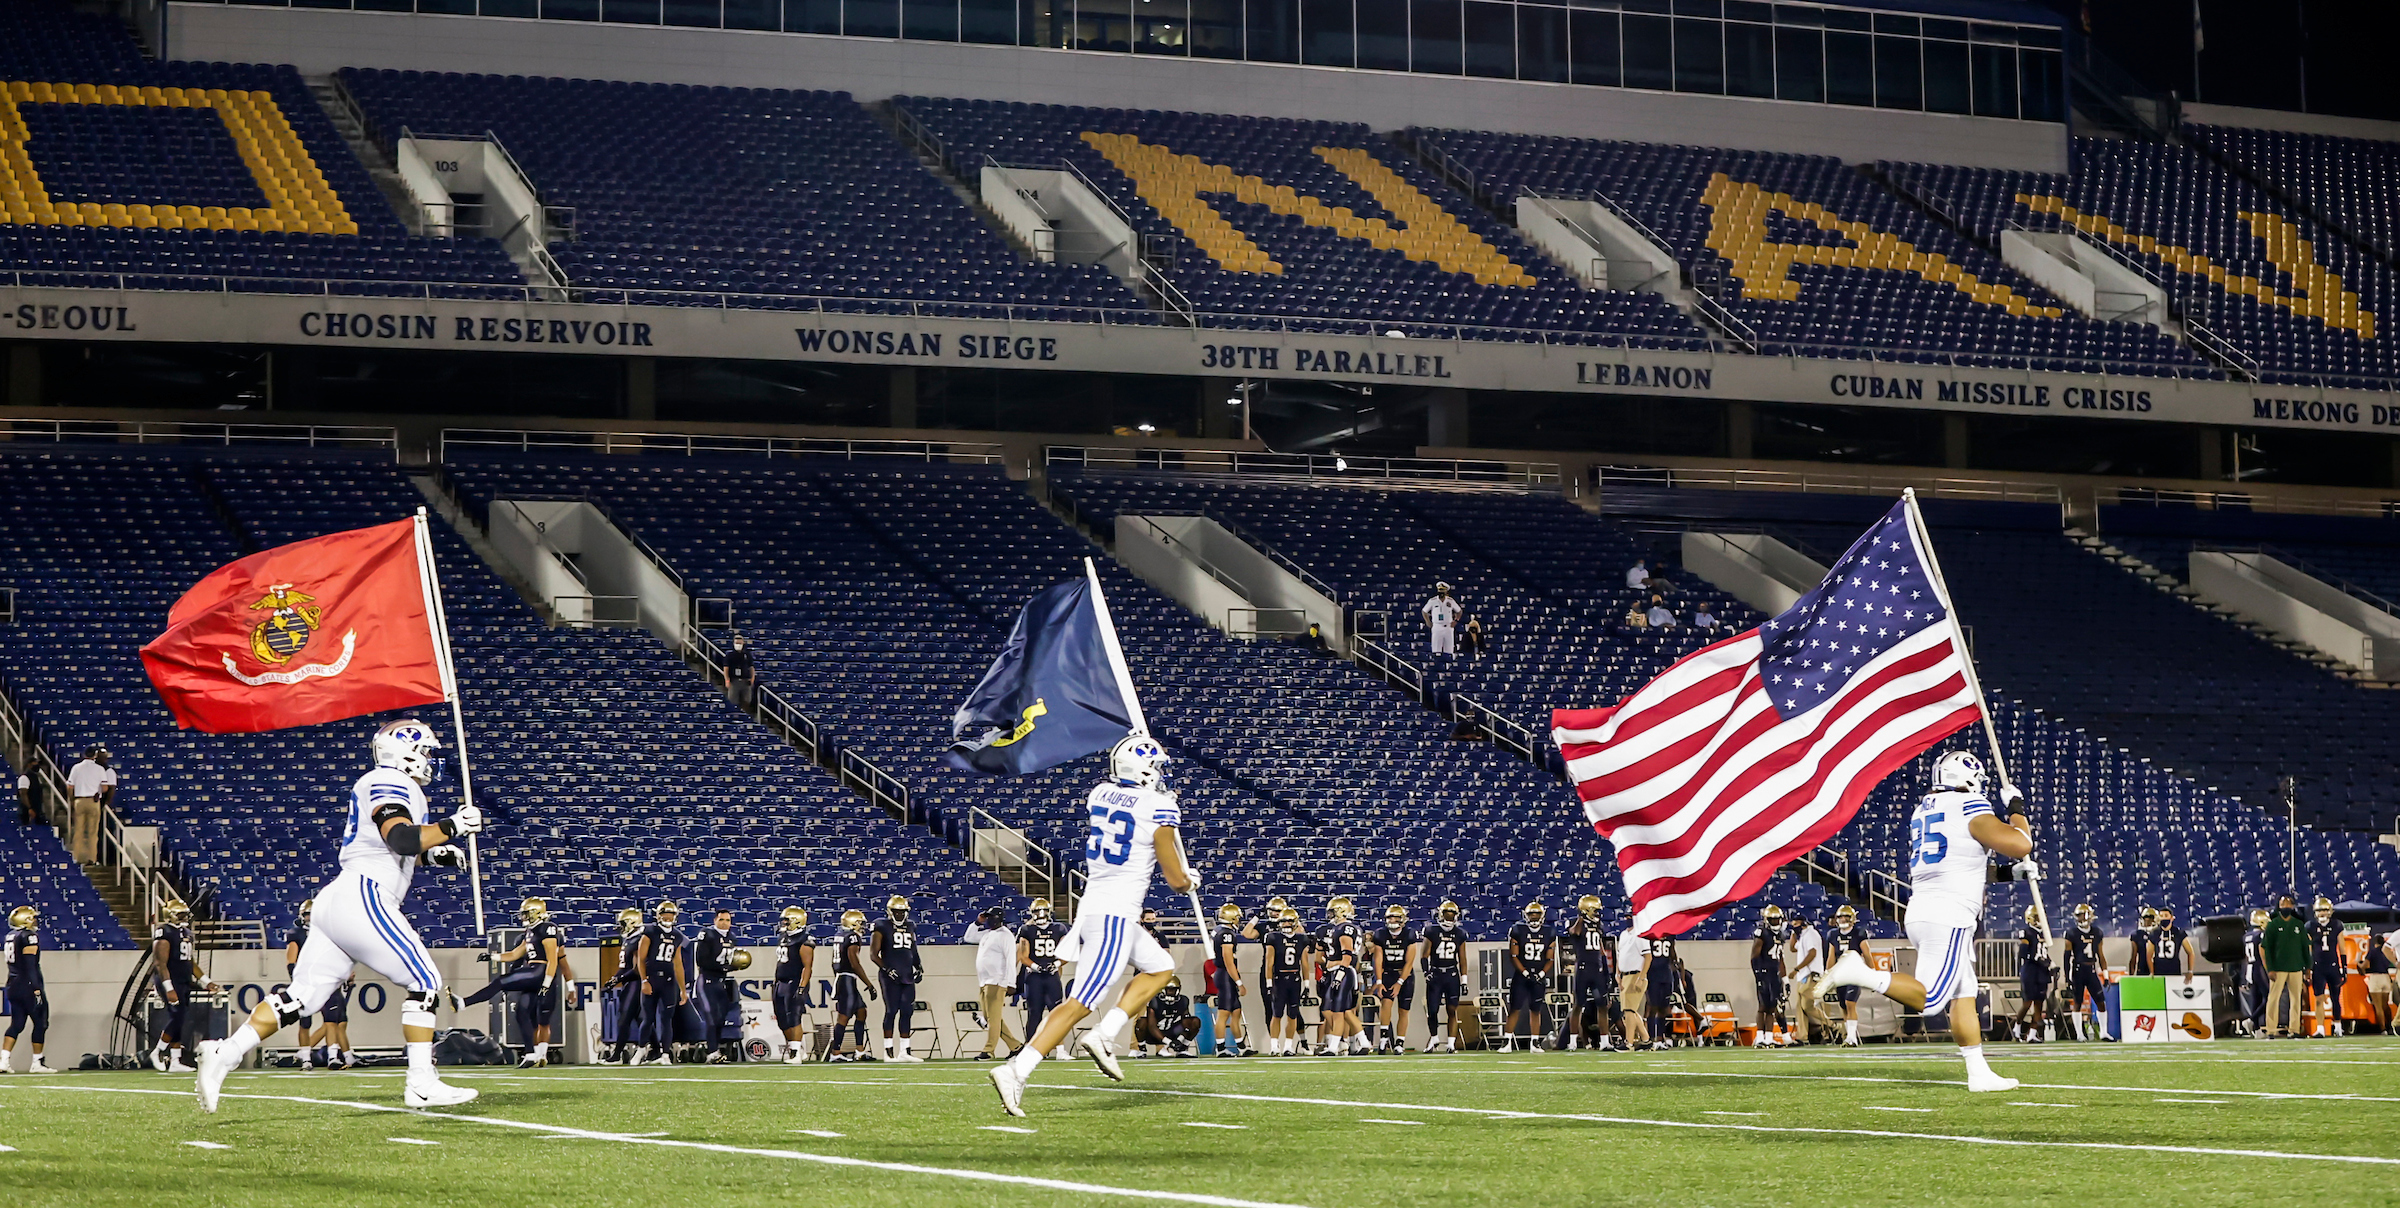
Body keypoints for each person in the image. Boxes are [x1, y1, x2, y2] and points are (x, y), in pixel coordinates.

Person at [195, 718, 483, 1111]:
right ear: (406, 751)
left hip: (340, 898)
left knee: (303, 997)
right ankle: (421, 1082)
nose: (430, 759)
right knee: (426, 981)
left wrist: (434, 852)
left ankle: (225, 1054)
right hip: (363, 894)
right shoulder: (390, 781)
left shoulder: (387, 783)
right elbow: (398, 837)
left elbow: (393, 847)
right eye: (427, 751)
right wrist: (451, 826)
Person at [988, 734, 1196, 1117]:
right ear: (1146, 769)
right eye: (1158, 767)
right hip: (1113, 915)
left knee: (1161, 967)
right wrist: (1189, 878)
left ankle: (1104, 1033)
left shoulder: (1100, 793)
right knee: (1079, 1003)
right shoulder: (1158, 807)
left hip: (1100, 906)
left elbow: (1131, 809)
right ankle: (1017, 1069)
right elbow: (1175, 879)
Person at [1823, 750, 2034, 1092]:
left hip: (1927, 907)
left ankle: (1977, 1072)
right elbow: (2020, 843)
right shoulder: (1969, 806)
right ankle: (1859, 973)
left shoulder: (1926, 809)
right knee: (1933, 999)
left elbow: (1963, 864)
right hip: (1948, 913)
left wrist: (2011, 874)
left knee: (1964, 992)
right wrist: (2016, 809)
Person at [464, 897, 568, 1068]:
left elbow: (553, 960)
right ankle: (531, 1054)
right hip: (533, 974)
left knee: (540, 1017)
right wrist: (492, 957)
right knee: (522, 1012)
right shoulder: (530, 932)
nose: (523, 917)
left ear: (537, 913)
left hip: (541, 974)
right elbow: (514, 954)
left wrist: (546, 983)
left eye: (527, 913)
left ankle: (463, 1002)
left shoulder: (548, 928)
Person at [151, 897, 212, 1073]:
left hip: (184, 980)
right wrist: (169, 988)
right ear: (170, 915)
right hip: (169, 980)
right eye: (181, 914)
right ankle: (158, 1052)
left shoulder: (186, 933)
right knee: (177, 1017)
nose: (185, 917)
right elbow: (160, 963)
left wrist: (206, 981)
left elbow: (189, 962)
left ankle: (175, 1060)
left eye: (186, 914)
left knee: (180, 1018)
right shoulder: (164, 932)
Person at [634, 899, 688, 1066]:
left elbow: (678, 964)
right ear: (658, 915)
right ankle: (641, 1049)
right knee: (648, 1017)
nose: (667, 917)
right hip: (651, 978)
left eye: (670, 914)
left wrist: (682, 989)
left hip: (668, 981)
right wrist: (644, 980)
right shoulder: (650, 931)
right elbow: (641, 960)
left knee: (666, 1019)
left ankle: (665, 1054)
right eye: (664, 914)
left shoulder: (678, 936)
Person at [966, 905, 1021, 1061]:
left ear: (999, 919)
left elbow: (1011, 959)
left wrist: (1011, 982)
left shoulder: (1006, 935)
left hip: (997, 981)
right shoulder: (986, 934)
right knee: (990, 1017)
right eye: (988, 917)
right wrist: (977, 922)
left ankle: (989, 1050)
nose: (989, 920)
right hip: (984, 981)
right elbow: (969, 937)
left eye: (991, 917)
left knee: (993, 1018)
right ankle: (1016, 1046)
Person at [2, 905, 52, 1074]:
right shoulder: (28, 936)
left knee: (16, 1024)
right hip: (27, 985)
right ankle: (37, 1062)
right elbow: (30, 965)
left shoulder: (10, 935)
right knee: (41, 1022)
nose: (35, 920)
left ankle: (4, 1060)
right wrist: (36, 989)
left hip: (13, 984)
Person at [1563, 895, 1616, 1051]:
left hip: (1597, 969)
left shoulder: (1598, 924)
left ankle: (1604, 1041)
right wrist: (1581, 918)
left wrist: (1606, 969)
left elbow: (1600, 947)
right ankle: (1572, 1042)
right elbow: (1575, 932)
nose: (1598, 913)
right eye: (1595, 910)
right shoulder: (1575, 921)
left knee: (1602, 1005)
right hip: (1583, 968)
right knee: (1578, 1005)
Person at [1016, 898, 1068, 1050]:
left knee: (1057, 1013)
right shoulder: (1027, 930)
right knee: (1034, 1013)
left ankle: (1060, 1049)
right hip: (1034, 976)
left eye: (1043, 911)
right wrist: (1036, 966)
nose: (1040, 914)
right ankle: (1031, 1048)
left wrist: (1056, 964)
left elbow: (1066, 953)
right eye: (1037, 911)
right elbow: (1023, 956)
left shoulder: (1059, 928)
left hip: (1052, 975)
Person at [1368, 904, 1421, 1054]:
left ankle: (1399, 1043)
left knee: (1404, 1010)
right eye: (1390, 917)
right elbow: (1378, 960)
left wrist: (1400, 982)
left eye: (1395, 917)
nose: (1392, 920)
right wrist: (1378, 981)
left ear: (1403, 919)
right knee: (1386, 1003)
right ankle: (1384, 1039)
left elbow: (1409, 962)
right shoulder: (1380, 934)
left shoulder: (1410, 934)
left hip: (1405, 975)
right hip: (1388, 973)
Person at [1317, 897, 1365, 1054]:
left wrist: (1338, 976)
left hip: (1342, 971)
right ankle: (1364, 1042)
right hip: (1341, 971)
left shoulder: (1345, 928)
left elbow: (1347, 955)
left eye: (1332, 912)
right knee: (1345, 1012)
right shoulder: (1343, 928)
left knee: (1338, 1011)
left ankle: (1333, 1047)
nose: (1330, 915)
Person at [1502, 901, 1553, 1052]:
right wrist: (1525, 973)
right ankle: (1507, 1041)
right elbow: (1513, 955)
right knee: (1515, 1008)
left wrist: (1541, 974)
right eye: (1532, 914)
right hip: (1521, 976)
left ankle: (1535, 1043)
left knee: (1536, 1009)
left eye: (1537, 914)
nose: (1534, 918)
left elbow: (1550, 958)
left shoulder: (1549, 932)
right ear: (1526, 916)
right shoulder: (1518, 930)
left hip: (1539, 975)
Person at [1261, 908, 1310, 1056]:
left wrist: (1307, 985)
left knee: (1293, 1014)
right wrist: (1269, 984)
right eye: (1283, 921)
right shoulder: (1273, 937)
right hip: (1279, 979)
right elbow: (1269, 963)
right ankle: (1274, 1046)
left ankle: (1288, 1046)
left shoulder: (1302, 939)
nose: (1286, 924)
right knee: (1276, 1014)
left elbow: (1305, 963)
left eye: (1289, 921)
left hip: (1295, 979)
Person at [1422, 900, 1468, 1053]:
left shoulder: (1460, 933)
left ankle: (1451, 1044)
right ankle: (1434, 1038)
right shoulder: (1431, 931)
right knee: (1433, 1010)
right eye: (1447, 915)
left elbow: (1462, 959)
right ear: (1440, 915)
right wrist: (1426, 972)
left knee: (1452, 1010)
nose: (1449, 918)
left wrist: (1464, 980)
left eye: (1452, 915)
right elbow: (1424, 955)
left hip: (1452, 974)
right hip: (1435, 973)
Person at [829, 909, 875, 1062]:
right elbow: (854, 963)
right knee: (844, 1016)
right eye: (860, 923)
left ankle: (859, 1051)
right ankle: (835, 1053)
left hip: (845, 978)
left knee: (861, 1012)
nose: (862, 926)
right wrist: (869, 984)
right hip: (847, 979)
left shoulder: (840, 935)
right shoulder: (852, 937)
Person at [695, 909, 740, 1063]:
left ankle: (715, 1051)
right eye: (721, 919)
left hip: (721, 982)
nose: (724, 923)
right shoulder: (707, 934)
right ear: (715, 920)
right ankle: (712, 1052)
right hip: (707, 981)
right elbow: (701, 960)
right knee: (711, 1019)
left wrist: (736, 966)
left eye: (727, 920)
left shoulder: (732, 937)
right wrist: (726, 968)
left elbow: (730, 962)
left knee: (720, 1019)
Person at [773, 906, 817, 1063]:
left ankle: (795, 1053)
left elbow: (807, 966)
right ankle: (797, 1048)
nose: (783, 923)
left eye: (787, 920)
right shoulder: (783, 937)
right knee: (782, 1019)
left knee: (794, 1017)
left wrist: (802, 987)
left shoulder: (804, 940)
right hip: (780, 982)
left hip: (794, 981)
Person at [283, 900, 324, 1070]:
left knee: (335, 1020)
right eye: (307, 914)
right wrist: (299, 982)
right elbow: (291, 962)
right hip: (307, 981)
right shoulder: (296, 933)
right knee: (305, 1021)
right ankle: (306, 1057)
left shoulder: (325, 933)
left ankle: (334, 1057)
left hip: (324, 979)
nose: (309, 918)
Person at [2061, 903, 2111, 1042]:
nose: (2080, 918)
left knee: (2101, 1002)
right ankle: (2079, 1035)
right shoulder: (2071, 933)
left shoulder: (2097, 932)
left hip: (2092, 969)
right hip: (2078, 970)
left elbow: (2101, 955)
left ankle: (2104, 1033)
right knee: (2077, 1002)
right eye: (2078, 915)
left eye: (2082, 914)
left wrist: (2105, 975)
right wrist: (2067, 977)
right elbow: (2067, 957)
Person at [2263, 895, 2310, 1039]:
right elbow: (2266, 948)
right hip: (2278, 968)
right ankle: (2271, 1029)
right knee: (2273, 998)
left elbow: (2305, 947)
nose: (2286, 906)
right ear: (2278, 906)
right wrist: (2270, 968)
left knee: (2296, 999)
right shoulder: (2273, 925)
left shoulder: (2298, 924)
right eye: (2283, 904)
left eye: (2289, 904)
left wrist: (2307, 967)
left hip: (2296, 967)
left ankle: (2294, 1029)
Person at [607, 906, 647, 1064]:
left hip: (636, 983)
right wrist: (615, 978)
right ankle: (656, 1050)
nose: (621, 927)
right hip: (629, 983)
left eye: (624, 923)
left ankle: (617, 1055)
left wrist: (619, 978)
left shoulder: (639, 939)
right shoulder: (629, 939)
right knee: (640, 1019)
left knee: (624, 1018)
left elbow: (637, 969)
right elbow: (624, 966)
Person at [1209, 902, 1249, 1058]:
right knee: (1223, 1013)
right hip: (1225, 974)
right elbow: (1228, 960)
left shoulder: (1219, 930)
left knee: (1236, 1011)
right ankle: (1220, 1048)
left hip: (1225, 974)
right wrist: (1239, 982)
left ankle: (1241, 1047)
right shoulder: (1226, 933)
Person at [1827, 905, 1870, 1046]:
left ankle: (1852, 1038)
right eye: (1840, 917)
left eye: (1846, 916)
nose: (1843, 919)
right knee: (1843, 1006)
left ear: (1852, 918)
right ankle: (1849, 1036)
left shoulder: (1859, 932)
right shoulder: (1833, 934)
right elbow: (1831, 956)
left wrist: (1872, 973)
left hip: (1855, 972)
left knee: (1850, 1003)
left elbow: (1867, 954)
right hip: (1840, 973)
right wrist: (1828, 974)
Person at [65, 747, 115, 864]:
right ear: (95, 755)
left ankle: (77, 858)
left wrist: (72, 800)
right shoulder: (99, 769)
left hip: (79, 800)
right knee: (93, 832)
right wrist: (98, 792)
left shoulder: (76, 768)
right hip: (93, 801)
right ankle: (91, 859)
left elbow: (69, 786)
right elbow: (105, 787)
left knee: (78, 831)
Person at [1788, 909, 1829, 1045]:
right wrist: (1793, 933)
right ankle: (1802, 1037)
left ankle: (1832, 1026)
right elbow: (1793, 948)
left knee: (1807, 1006)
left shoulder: (1811, 934)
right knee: (1799, 1007)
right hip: (1803, 975)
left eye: (1796, 924)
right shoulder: (1803, 936)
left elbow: (1812, 954)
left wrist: (1796, 969)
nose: (1795, 927)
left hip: (1811, 974)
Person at [1133, 976, 1200, 1058]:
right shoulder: (1155, 1001)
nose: (1171, 992)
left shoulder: (1183, 1000)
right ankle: (1142, 1049)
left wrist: (1179, 1039)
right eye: (1169, 989)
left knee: (1194, 1022)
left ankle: (1183, 1049)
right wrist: (1169, 1042)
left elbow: (1186, 1023)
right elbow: (1152, 1026)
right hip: (1155, 1034)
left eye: (1173, 989)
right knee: (1141, 1022)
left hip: (1172, 1031)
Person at [2307, 896, 2345, 1037]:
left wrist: (2344, 967)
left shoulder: (2337, 925)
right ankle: (2321, 1028)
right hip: (2318, 967)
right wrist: (2308, 968)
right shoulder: (2310, 926)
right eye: (2319, 910)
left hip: (2333, 965)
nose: (2322, 913)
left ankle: (2338, 1026)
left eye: (2324, 910)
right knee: (2318, 998)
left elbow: (2342, 947)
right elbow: (2309, 949)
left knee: (2336, 998)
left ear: (2330, 911)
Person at [2015, 906, 2051, 1043]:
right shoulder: (2026, 932)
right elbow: (2023, 953)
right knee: (2027, 1002)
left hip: (2041, 970)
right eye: (2037, 917)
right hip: (2030, 970)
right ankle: (2017, 1029)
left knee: (2039, 1004)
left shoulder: (2044, 933)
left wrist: (2051, 964)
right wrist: (2037, 958)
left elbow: (2045, 953)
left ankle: (2032, 1034)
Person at [1617, 923, 1652, 1050]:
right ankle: (1646, 1040)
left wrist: (1641, 977)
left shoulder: (1641, 934)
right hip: (1625, 975)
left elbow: (1648, 957)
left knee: (1629, 1011)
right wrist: (1618, 974)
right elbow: (1620, 955)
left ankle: (1629, 1042)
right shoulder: (1624, 934)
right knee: (1631, 1010)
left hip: (1635, 974)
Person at [2239, 908, 2269, 1038]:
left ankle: (2256, 1029)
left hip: (2249, 968)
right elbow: (2262, 953)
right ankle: (2251, 1020)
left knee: (2256, 999)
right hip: (2259, 967)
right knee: (2269, 997)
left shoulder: (2247, 936)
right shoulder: (2261, 935)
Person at [1645, 933, 1679, 1048]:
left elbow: (1672, 952)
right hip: (1653, 974)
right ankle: (1651, 1038)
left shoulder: (1670, 934)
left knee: (1664, 1008)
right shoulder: (1649, 933)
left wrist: (1674, 964)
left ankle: (1659, 1039)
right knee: (1652, 1007)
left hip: (1666, 975)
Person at [2151, 905, 2193, 989]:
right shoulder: (2154, 933)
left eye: (2166, 916)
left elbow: (2190, 952)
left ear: (2172, 918)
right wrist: (2151, 971)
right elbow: (2149, 955)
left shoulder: (2179, 933)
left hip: (2174, 971)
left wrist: (2190, 971)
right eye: (2161, 916)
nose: (2163, 918)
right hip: (2158, 971)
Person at [1422, 583, 1463, 657]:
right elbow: (1424, 611)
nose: (1441, 593)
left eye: (1443, 591)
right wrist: (1427, 621)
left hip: (1448, 627)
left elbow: (1459, 611)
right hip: (1437, 626)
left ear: (1446, 592)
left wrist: (1456, 620)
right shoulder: (1432, 600)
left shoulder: (1450, 601)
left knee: (1449, 651)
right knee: (1436, 651)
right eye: (1440, 591)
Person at [720, 633, 758, 712]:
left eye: (740, 643)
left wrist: (752, 678)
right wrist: (727, 680)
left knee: (747, 700)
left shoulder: (747, 655)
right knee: (733, 700)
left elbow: (751, 667)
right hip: (734, 681)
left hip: (745, 681)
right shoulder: (730, 655)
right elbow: (726, 668)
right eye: (737, 643)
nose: (738, 645)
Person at [2128, 906, 2158, 978]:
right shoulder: (2137, 935)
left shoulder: (2160, 934)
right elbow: (2133, 957)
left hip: (2158, 967)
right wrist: (2131, 976)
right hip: (2143, 968)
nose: (2147, 920)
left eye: (2150, 918)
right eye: (2146, 918)